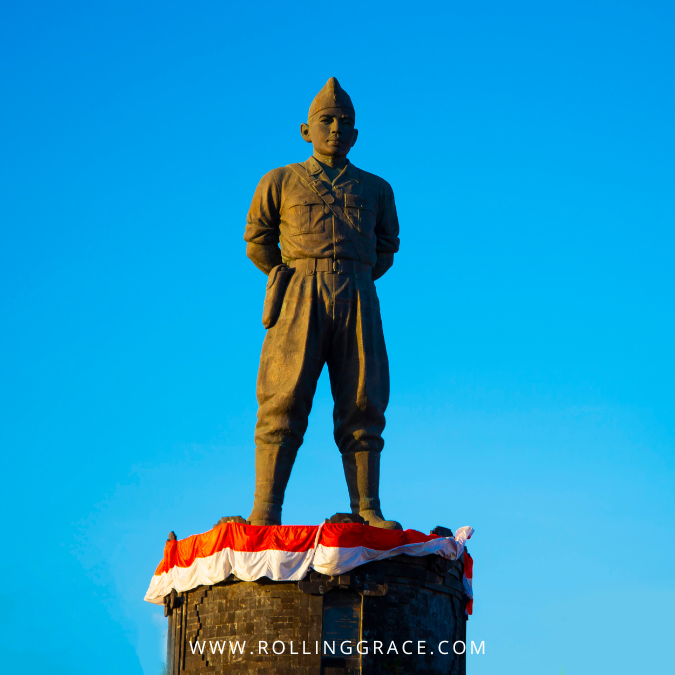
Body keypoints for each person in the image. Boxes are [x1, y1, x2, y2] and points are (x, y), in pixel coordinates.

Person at [244, 77, 401, 529]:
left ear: (355, 135)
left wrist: (353, 279)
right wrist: (291, 278)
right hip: (298, 295)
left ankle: (367, 509)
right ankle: (265, 511)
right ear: (305, 130)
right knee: (282, 396)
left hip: (358, 296)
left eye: (344, 123)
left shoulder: (377, 189)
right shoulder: (280, 181)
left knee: (364, 399)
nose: (335, 129)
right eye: (326, 121)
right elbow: (258, 241)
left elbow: (386, 247)